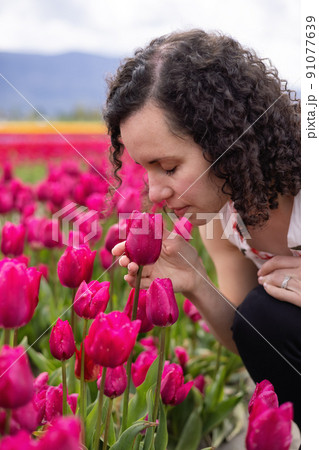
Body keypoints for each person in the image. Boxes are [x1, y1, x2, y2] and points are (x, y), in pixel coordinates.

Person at [103, 29, 301, 429]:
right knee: (261, 314)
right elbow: (252, 339)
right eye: (145, 169)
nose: (154, 192)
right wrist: (193, 280)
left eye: (170, 167)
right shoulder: (221, 215)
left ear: (227, 140)